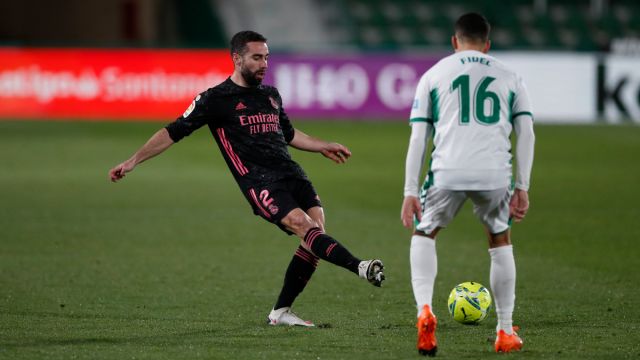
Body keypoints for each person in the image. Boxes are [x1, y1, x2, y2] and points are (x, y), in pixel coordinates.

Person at [109, 30, 385, 327]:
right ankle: (360, 266)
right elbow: (172, 132)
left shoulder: (271, 95)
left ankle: (280, 313)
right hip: (260, 183)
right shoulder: (214, 99)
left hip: (292, 174)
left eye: (266, 57)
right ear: (237, 58)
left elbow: (289, 135)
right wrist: (134, 160)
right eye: (256, 57)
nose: (264, 64)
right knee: (303, 227)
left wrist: (322, 145)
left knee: (315, 232)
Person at [401, 13, 535, 355]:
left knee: (425, 232)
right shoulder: (510, 76)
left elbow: (419, 137)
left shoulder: (434, 74)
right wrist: (522, 186)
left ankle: (424, 311)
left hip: (447, 171)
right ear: (488, 44)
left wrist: (410, 191)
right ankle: (505, 331)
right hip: (494, 173)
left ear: (454, 41)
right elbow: (526, 133)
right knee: (500, 240)